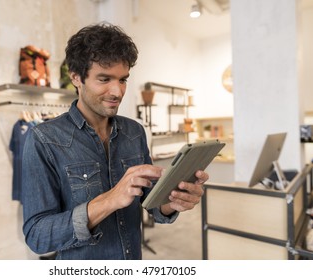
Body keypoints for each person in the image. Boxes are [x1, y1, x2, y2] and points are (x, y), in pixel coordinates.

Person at [21, 22, 208, 260]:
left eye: (122, 80)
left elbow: (151, 205)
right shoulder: (44, 139)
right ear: (76, 77)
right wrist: (109, 200)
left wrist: (173, 201)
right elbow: (37, 236)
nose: (117, 91)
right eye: (104, 79)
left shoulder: (135, 132)